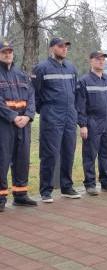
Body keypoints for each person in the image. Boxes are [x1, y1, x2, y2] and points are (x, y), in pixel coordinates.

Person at [32, 37, 80, 202]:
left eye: (66, 46)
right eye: (61, 46)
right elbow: (35, 94)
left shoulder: (71, 68)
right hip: (51, 115)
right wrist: (46, 110)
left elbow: (75, 91)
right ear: (52, 48)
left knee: (68, 151)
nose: (64, 49)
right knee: (50, 153)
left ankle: (66, 187)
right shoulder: (41, 68)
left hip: (69, 115)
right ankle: (46, 190)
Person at [75, 51, 107, 196]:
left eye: (103, 59)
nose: (101, 62)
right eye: (98, 59)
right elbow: (80, 105)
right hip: (92, 122)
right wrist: (82, 124)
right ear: (91, 61)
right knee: (90, 154)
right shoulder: (84, 81)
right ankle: (90, 184)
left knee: (106, 154)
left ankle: (106, 182)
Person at [0, 41, 37, 211]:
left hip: (23, 124)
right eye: (4, 52)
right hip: (4, 124)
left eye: (10, 52)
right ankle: (1, 198)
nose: (8, 54)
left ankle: (20, 195)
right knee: (2, 159)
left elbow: (31, 97)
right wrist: (13, 116)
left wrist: (28, 116)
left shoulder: (21, 75)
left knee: (22, 158)